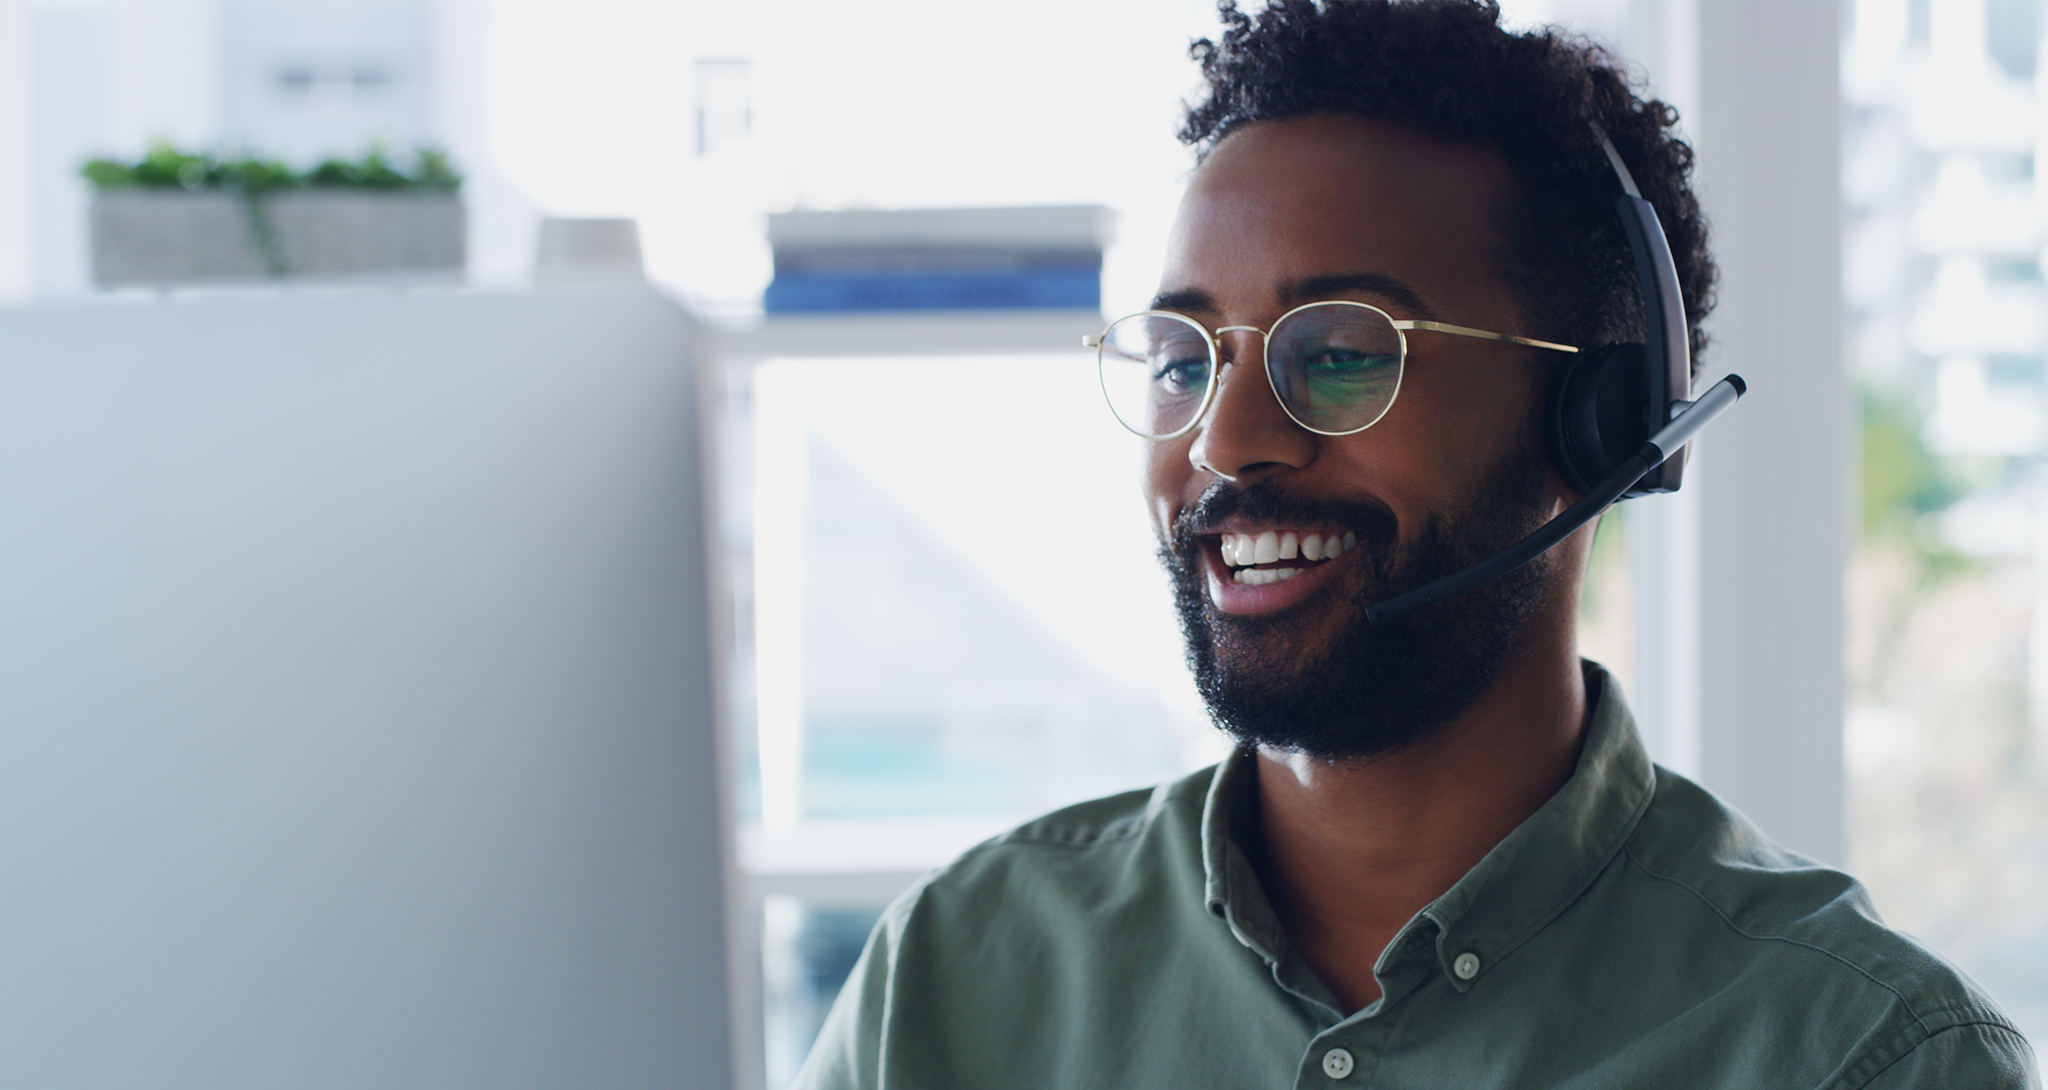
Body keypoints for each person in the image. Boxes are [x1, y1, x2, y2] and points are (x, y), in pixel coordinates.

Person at [794, 2, 2041, 1087]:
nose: (1226, 442)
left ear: (1596, 424)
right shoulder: (955, 980)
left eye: (1338, 353)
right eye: (1183, 360)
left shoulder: (1861, 1054)